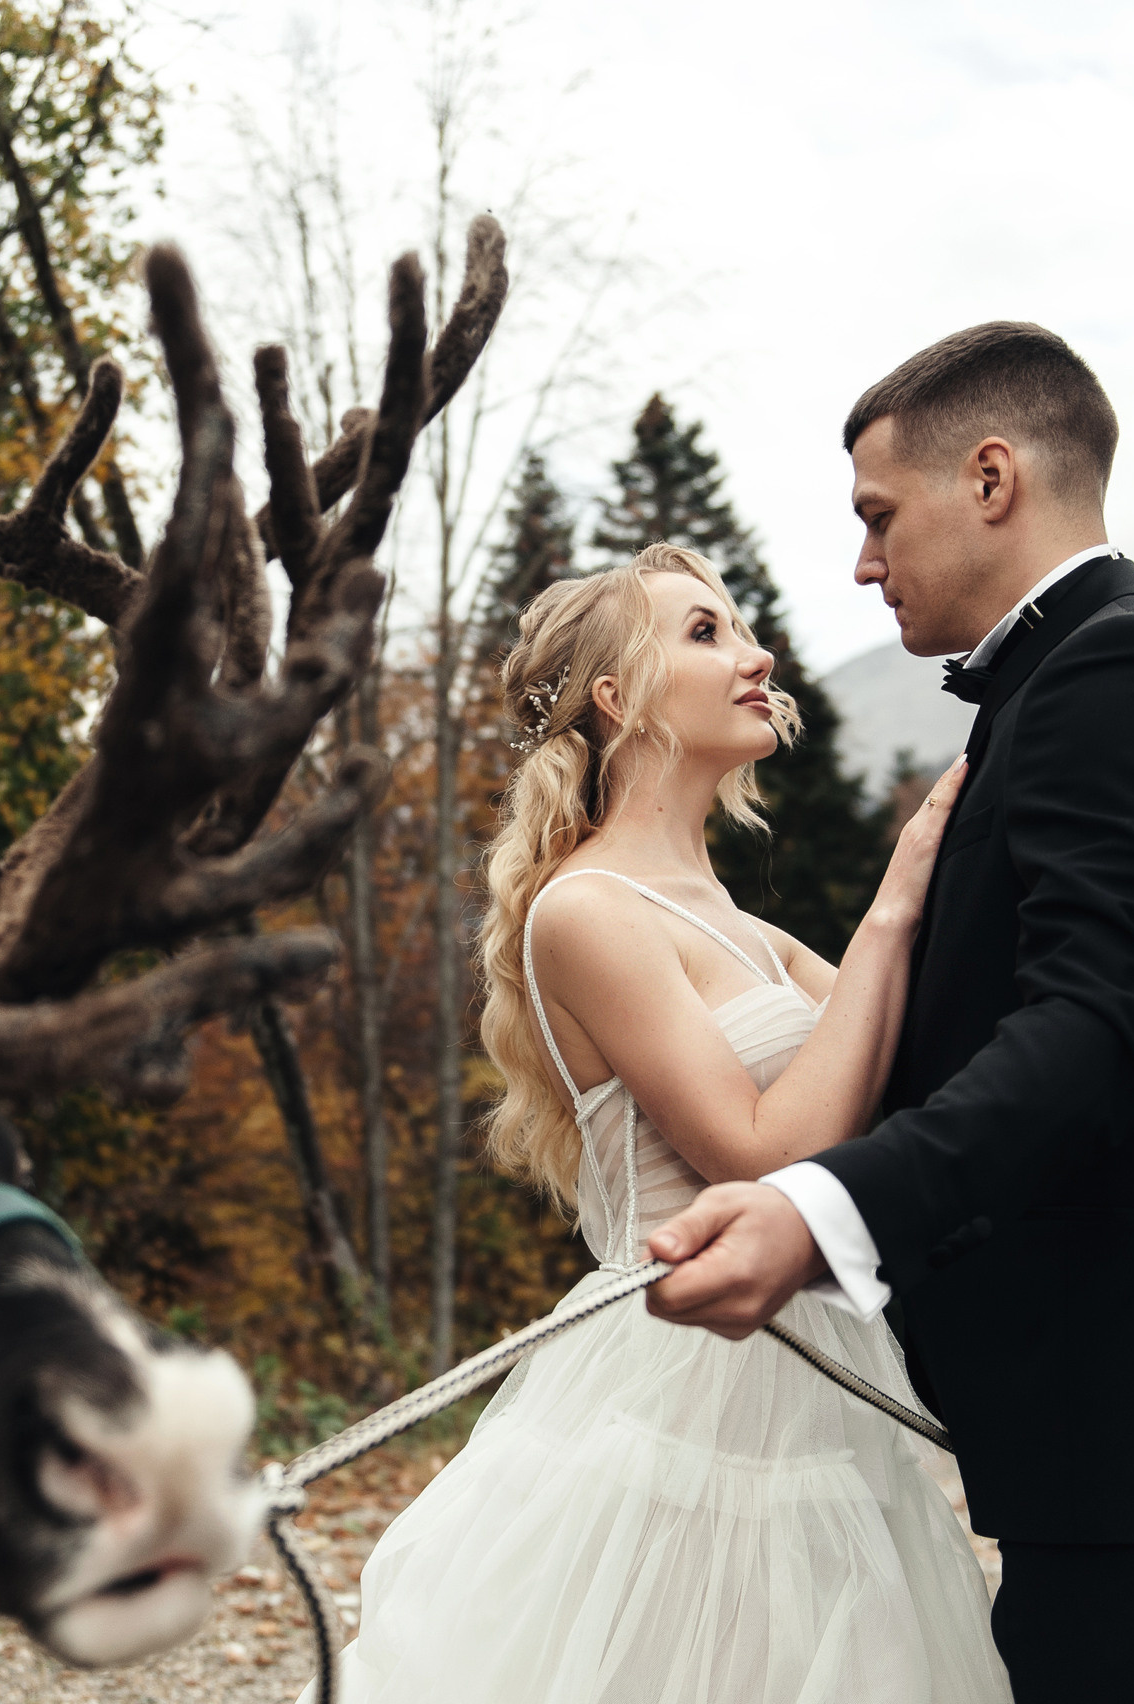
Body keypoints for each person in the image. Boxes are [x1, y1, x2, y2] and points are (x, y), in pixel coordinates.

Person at [645, 323, 1134, 1703]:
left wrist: (818, 1212)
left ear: (990, 478)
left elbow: (1093, 1034)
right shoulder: (1057, 693)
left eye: (875, 517)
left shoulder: (1129, 675)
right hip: (1118, 1435)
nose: (861, 565)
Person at [303, 541, 1010, 1704]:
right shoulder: (588, 910)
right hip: (687, 1381)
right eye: (704, 633)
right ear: (615, 699)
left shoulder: (729, 919)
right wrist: (895, 901)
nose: (755, 654)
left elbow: (920, 1079)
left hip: (815, 1372)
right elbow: (766, 1155)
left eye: (737, 628)